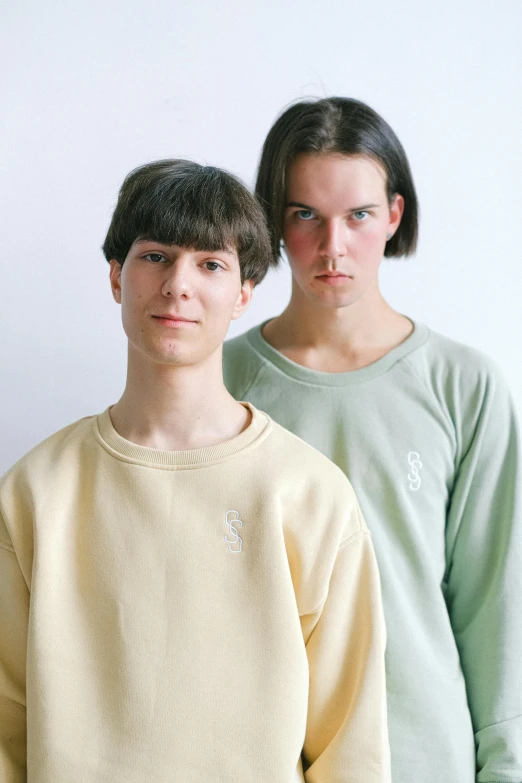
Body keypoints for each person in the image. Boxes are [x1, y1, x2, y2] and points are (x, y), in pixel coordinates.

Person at [0, 159, 390, 783]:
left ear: (243, 294)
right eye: (155, 255)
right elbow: (6, 731)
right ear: (115, 277)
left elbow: (351, 747)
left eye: (210, 263)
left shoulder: (309, 495)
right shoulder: (35, 492)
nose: (178, 284)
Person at [223, 98, 522, 783]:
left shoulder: (463, 385)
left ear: (393, 213)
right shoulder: (219, 379)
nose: (334, 246)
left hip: (424, 757)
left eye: (358, 215)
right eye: (305, 215)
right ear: (273, 220)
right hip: (256, 756)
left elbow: (497, 605)